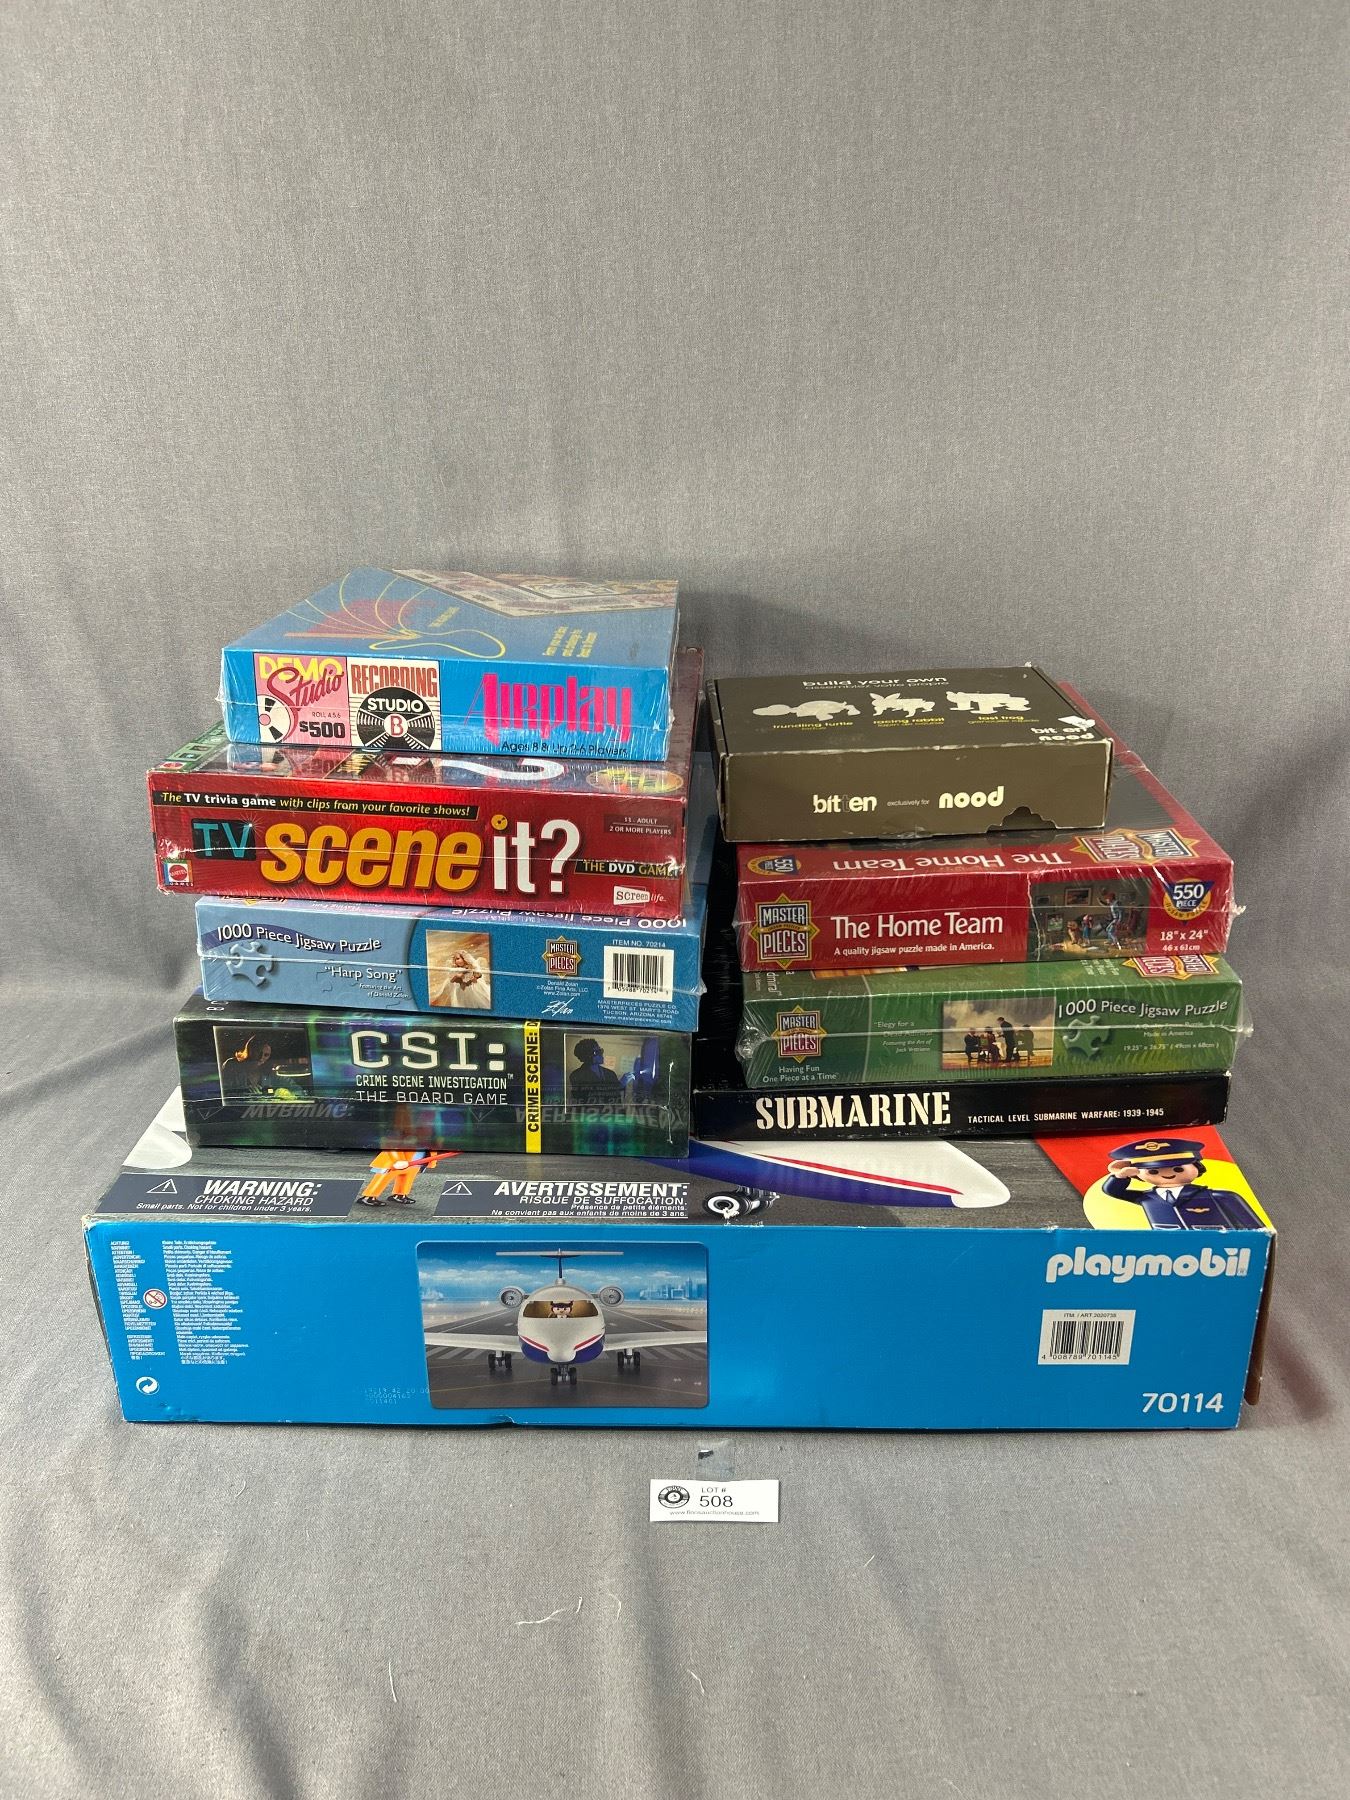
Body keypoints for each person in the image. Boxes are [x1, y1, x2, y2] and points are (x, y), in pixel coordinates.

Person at [1100, 1138, 1263, 1231]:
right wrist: (1120, 1176)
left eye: (1178, 1168)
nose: (1166, 1174)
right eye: (1153, 1171)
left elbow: (1257, 1230)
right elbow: (1112, 1191)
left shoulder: (1220, 1197)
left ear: (1197, 1168)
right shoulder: (1147, 1198)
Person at [569, 1038, 623, 1105]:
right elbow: (587, 1099)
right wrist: (619, 1086)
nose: (601, 1054)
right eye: (597, 1052)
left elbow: (618, 1101)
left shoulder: (610, 1074)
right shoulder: (577, 1075)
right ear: (587, 1056)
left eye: (601, 1050)